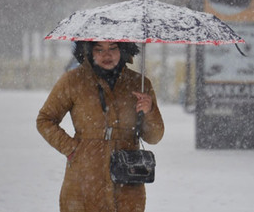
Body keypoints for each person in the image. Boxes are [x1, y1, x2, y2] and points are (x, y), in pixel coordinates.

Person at [36, 41, 164, 212]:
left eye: (113, 48)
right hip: (84, 179)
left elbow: (154, 137)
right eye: (99, 49)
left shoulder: (139, 84)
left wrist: (150, 111)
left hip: (127, 182)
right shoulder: (73, 81)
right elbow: (45, 119)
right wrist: (72, 149)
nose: (107, 55)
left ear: (123, 49)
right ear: (88, 51)